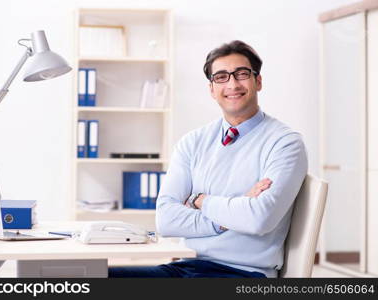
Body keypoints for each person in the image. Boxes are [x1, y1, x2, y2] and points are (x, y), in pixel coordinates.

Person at [108, 40, 308, 278]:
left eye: (242, 74)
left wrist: (199, 200)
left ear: (258, 81)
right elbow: (166, 220)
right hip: (185, 267)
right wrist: (230, 215)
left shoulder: (284, 143)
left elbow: (259, 218)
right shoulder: (192, 142)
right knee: (90, 278)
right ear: (212, 89)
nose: (233, 84)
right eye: (221, 77)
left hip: (243, 274)